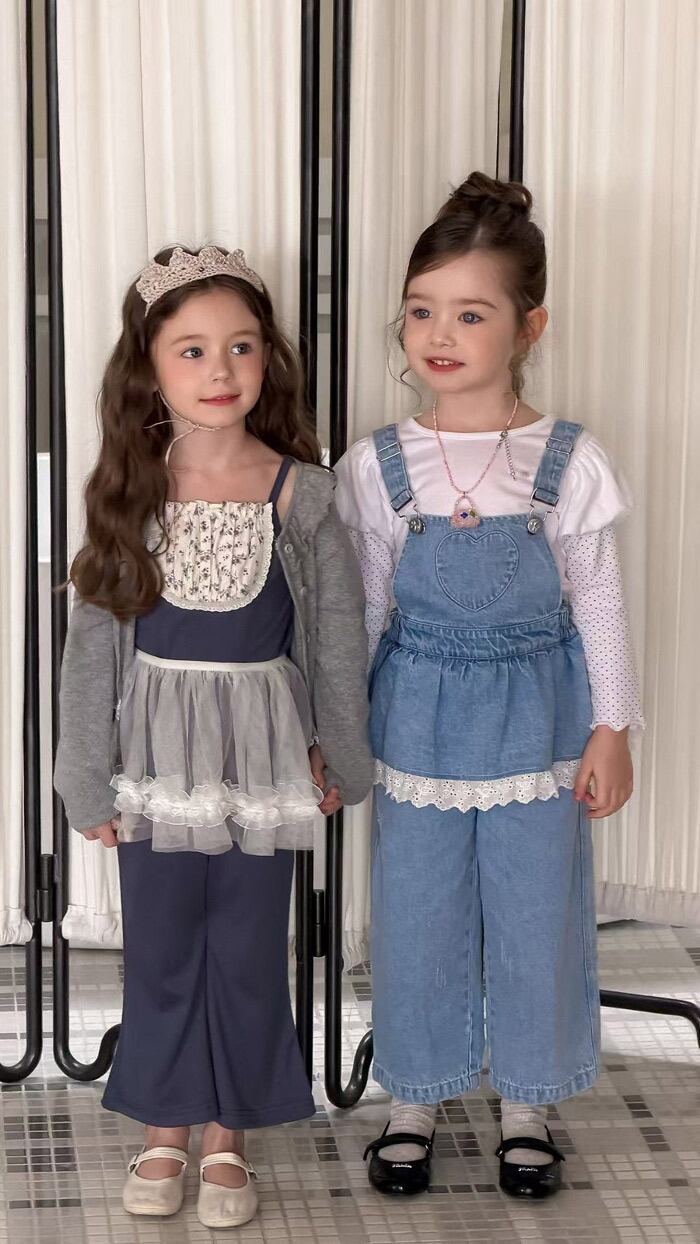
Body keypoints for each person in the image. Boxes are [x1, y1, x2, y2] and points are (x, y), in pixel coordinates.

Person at [335, 173, 643, 1200]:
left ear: (527, 325)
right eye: (421, 310)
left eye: (470, 313)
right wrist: (340, 730)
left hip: (538, 724)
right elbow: (364, 610)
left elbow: (598, 601)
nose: (440, 333)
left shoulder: (565, 459)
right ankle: (415, 1095)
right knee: (416, 910)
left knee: (534, 910)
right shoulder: (382, 464)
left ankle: (526, 1099)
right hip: (416, 722)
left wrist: (612, 726)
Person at [55, 243, 373, 1228]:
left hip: (262, 755)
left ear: (268, 358)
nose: (221, 368)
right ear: (149, 366)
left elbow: (334, 636)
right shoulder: (131, 490)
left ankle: (228, 1133)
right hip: (156, 758)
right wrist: (85, 775)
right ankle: (165, 1124)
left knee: (245, 942)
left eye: (240, 345)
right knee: (161, 942)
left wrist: (337, 752)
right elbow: (93, 647)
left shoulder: (301, 494)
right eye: (191, 349)